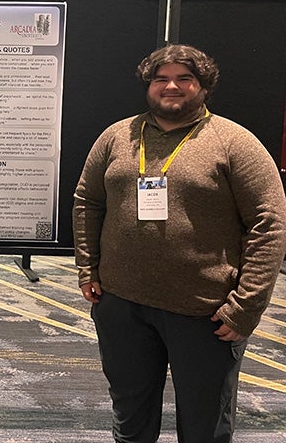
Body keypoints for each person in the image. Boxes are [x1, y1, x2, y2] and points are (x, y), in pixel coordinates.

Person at [73, 44, 286, 443]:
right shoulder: (117, 137)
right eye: (161, 78)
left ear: (203, 87)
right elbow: (87, 201)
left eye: (184, 78)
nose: (171, 86)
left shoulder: (233, 142)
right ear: (149, 85)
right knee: (130, 415)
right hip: (122, 305)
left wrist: (246, 307)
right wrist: (88, 267)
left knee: (205, 424)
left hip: (204, 312)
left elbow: (269, 224)